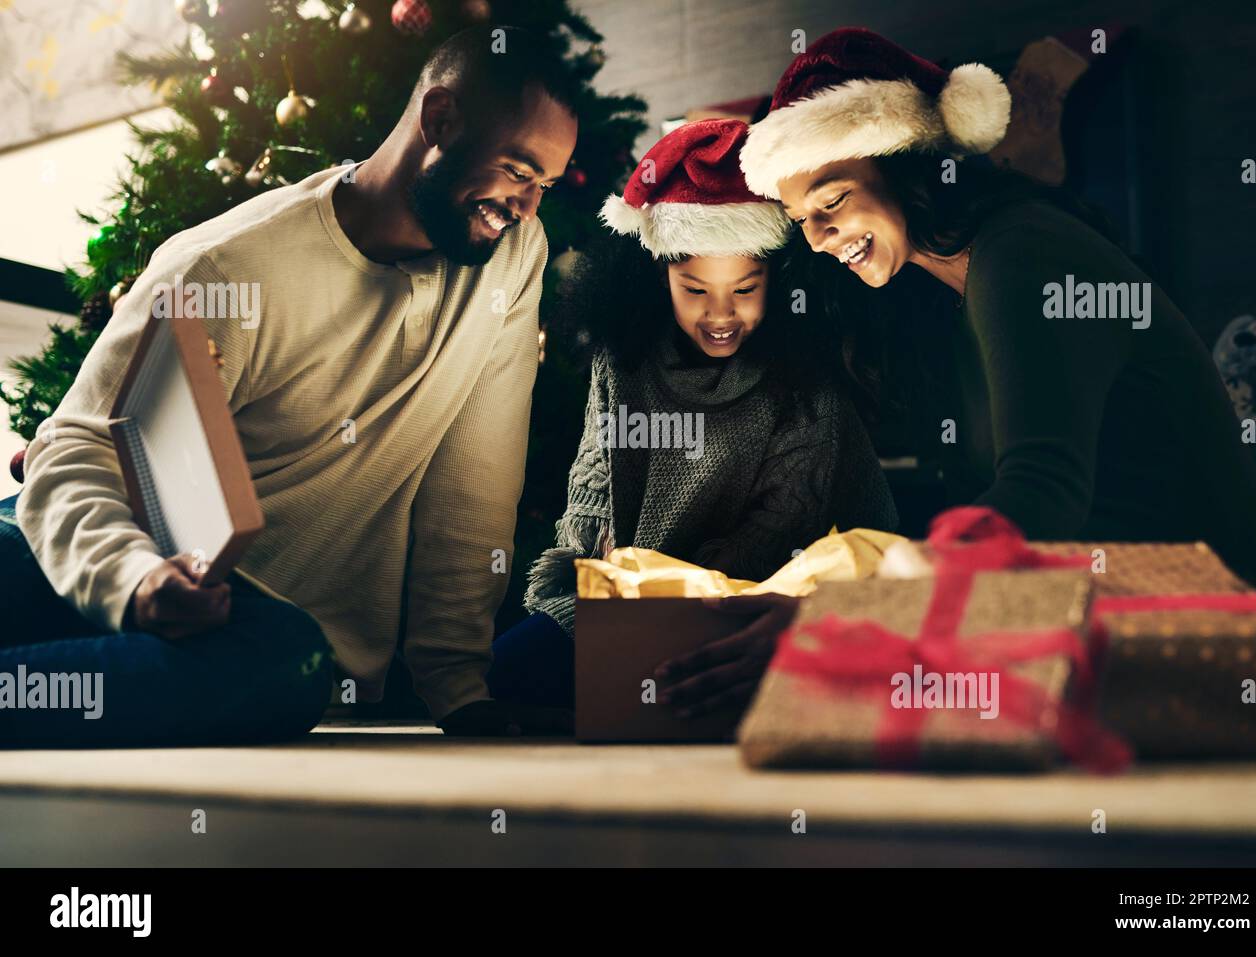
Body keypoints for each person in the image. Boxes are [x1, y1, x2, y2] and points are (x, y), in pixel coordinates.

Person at [2, 25, 578, 747]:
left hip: (257, 636)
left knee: (285, 661)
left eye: (545, 187)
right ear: (440, 120)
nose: (527, 206)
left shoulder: (510, 257)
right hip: (80, 552)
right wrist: (135, 579)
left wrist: (459, 689)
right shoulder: (224, 267)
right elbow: (74, 449)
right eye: (518, 172)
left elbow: (474, 484)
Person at [739, 26, 1256, 601]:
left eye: (833, 200)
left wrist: (853, 609)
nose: (820, 237)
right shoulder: (943, 290)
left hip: (1201, 614)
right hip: (1086, 594)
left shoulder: (1022, 251)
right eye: (802, 219)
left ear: (903, 166)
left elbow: (1042, 493)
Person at [487, 119, 897, 715]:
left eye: (745, 289)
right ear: (661, 279)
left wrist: (656, 600)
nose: (721, 315)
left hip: (752, 606)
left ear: (775, 283)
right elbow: (594, 488)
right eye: (696, 290)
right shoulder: (623, 360)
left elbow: (776, 535)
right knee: (507, 680)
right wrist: (583, 580)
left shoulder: (808, 383)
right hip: (618, 598)